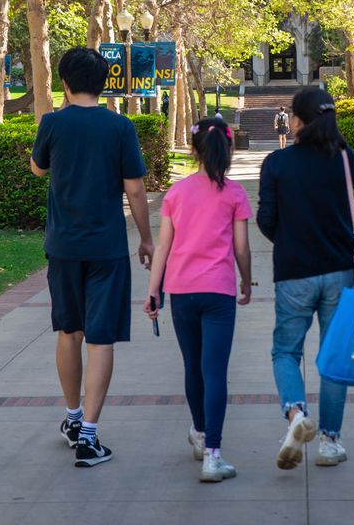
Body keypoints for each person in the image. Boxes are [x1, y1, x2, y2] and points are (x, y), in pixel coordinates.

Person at [31, 47, 155, 468]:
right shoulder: (120, 127)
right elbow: (136, 189)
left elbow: (38, 168)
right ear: (105, 83)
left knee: (69, 331)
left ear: (64, 83)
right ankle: (88, 435)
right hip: (106, 248)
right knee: (101, 338)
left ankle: (71, 417)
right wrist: (147, 239)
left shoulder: (52, 123)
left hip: (63, 246)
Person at [144, 117, 252, 483]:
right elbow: (241, 248)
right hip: (219, 291)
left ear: (194, 150)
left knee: (193, 366)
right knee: (215, 371)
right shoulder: (235, 193)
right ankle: (213, 455)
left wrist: (153, 290)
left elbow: (164, 246)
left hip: (181, 292)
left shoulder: (176, 193)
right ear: (228, 148)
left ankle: (200, 431)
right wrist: (247, 281)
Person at [258, 88, 354, 470]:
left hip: (294, 272)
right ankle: (331, 441)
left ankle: (296, 415)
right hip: (339, 271)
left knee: (286, 351)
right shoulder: (345, 159)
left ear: (297, 121)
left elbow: (266, 219)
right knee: (333, 357)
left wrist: (289, 241)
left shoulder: (278, 163)